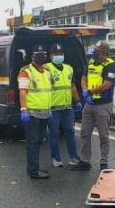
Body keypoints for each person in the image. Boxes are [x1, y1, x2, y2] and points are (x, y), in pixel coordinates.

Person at [72, 41, 115, 171]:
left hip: (103, 105)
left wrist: (90, 92)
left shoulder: (111, 65)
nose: (94, 52)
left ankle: (104, 160)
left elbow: (107, 85)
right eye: (95, 50)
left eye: (97, 51)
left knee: (103, 135)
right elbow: (83, 78)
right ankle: (85, 160)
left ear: (104, 53)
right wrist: (85, 91)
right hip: (89, 104)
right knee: (84, 133)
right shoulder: (90, 63)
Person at [19, 45, 54, 179]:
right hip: (32, 113)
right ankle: (33, 170)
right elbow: (22, 91)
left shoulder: (46, 71)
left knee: (39, 141)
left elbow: (48, 92)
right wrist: (23, 110)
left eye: (44, 54)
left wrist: (49, 110)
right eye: (39, 54)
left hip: (45, 112)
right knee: (33, 142)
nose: (42, 56)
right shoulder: (26, 71)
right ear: (32, 56)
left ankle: (35, 167)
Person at [46, 43, 82, 167]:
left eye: (61, 54)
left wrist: (77, 101)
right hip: (53, 108)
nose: (59, 56)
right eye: (56, 54)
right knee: (53, 134)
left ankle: (74, 157)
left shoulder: (69, 68)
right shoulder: (46, 69)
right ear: (50, 55)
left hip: (67, 107)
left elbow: (72, 86)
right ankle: (56, 158)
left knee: (70, 133)